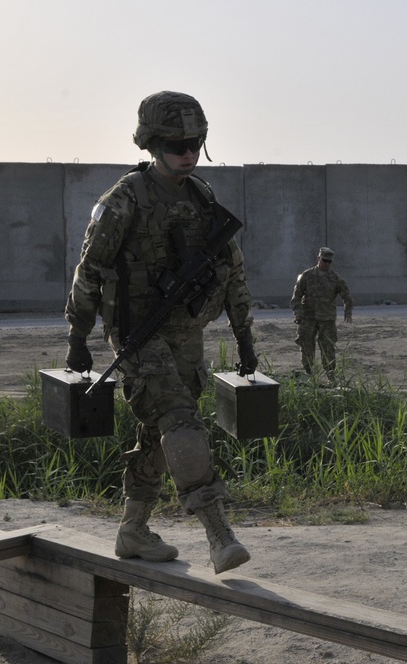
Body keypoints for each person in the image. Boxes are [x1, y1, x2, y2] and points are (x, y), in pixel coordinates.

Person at [64, 91, 257, 574]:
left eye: (195, 143)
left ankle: (133, 531)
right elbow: (89, 272)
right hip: (135, 332)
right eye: (175, 144)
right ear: (151, 143)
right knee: (179, 417)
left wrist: (245, 337)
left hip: (185, 331)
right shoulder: (123, 200)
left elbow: (232, 270)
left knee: (158, 432)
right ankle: (218, 531)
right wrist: (78, 337)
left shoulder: (201, 196)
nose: (187, 153)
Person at [291, 247, 354, 381]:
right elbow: (296, 296)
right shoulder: (306, 276)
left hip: (327, 319)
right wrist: (297, 312)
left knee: (328, 347)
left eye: (329, 261)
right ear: (318, 259)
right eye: (324, 260)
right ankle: (309, 373)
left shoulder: (334, 278)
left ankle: (330, 375)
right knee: (306, 345)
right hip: (308, 318)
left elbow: (347, 296)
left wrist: (348, 311)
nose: (326, 263)